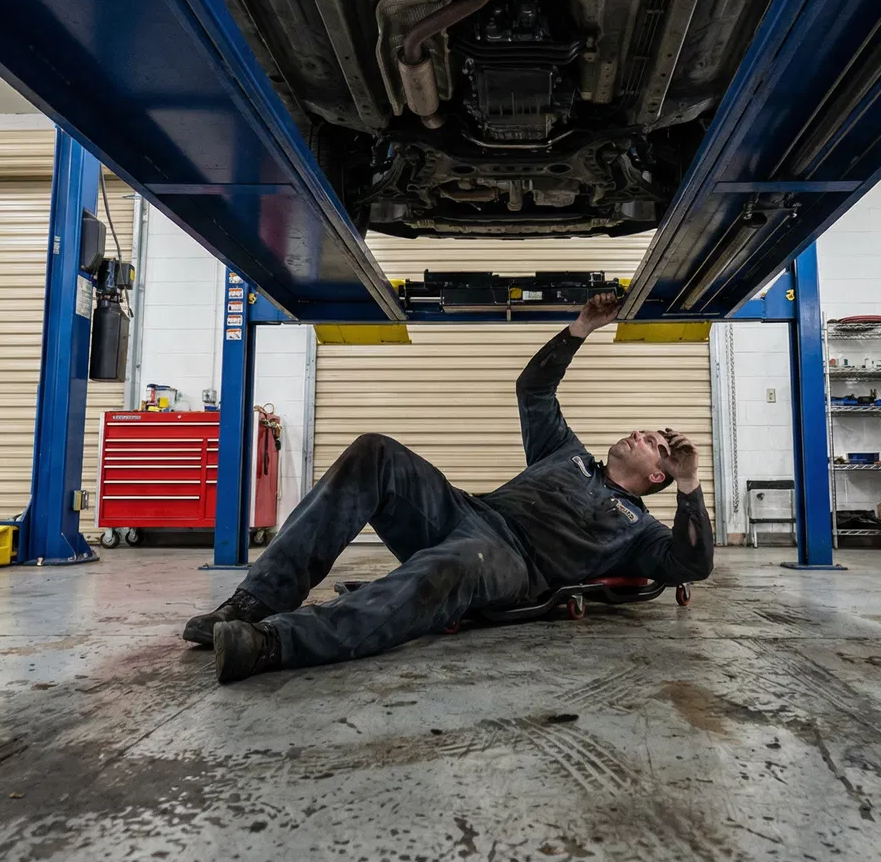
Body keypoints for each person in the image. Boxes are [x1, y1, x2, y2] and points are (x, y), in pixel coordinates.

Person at [182, 291, 714, 682]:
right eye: (647, 431)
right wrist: (580, 328)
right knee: (375, 450)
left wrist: (691, 480)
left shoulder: (639, 531)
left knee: (451, 567)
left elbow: (692, 565)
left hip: (510, 562)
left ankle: (272, 642)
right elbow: (533, 390)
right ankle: (252, 603)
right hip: (464, 511)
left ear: (656, 477)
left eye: (656, 445)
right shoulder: (567, 453)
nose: (643, 434)